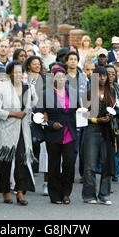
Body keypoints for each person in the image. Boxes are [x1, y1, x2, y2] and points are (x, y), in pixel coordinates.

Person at [0, 61, 37, 206]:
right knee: (6, 161)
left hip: (23, 129)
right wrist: (13, 114)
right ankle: (5, 191)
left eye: (20, 72)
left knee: (22, 159)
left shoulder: (27, 87)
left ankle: (20, 191)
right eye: (15, 71)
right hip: (6, 128)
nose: (18, 74)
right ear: (9, 73)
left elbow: (34, 102)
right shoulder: (2, 87)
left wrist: (32, 89)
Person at [36, 66, 78, 204]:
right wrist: (50, 124)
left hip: (69, 133)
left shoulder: (72, 92)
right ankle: (55, 195)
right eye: (57, 76)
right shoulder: (45, 94)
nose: (60, 78)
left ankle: (66, 193)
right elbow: (37, 115)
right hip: (53, 134)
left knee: (69, 164)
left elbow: (78, 111)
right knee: (53, 165)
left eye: (63, 76)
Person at [81, 67, 116, 205]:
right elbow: (82, 114)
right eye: (99, 76)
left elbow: (118, 109)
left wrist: (113, 115)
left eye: (104, 76)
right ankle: (89, 195)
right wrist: (96, 119)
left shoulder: (111, 92)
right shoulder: (88, 93)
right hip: (92, 129)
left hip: (108, 131)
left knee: (107, 163)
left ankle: (104, 194)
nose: (102, 78)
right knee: (90, 164)